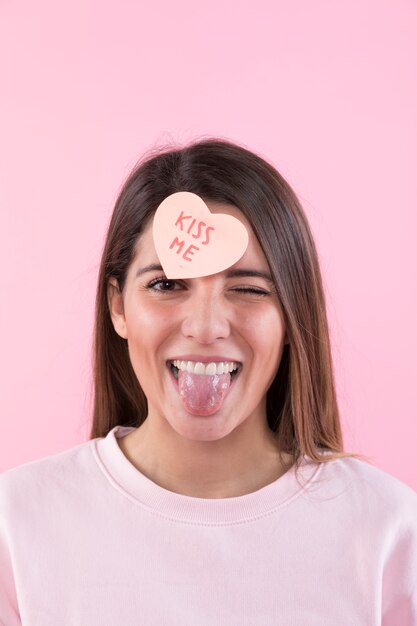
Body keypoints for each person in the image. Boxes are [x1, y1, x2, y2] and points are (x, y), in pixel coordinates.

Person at [1, 138, 416, 625]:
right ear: (118, 306)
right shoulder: (19, 522)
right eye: (167, 285)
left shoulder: (387, 529)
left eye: (247, 289)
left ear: (292, 315)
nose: (205, 326)